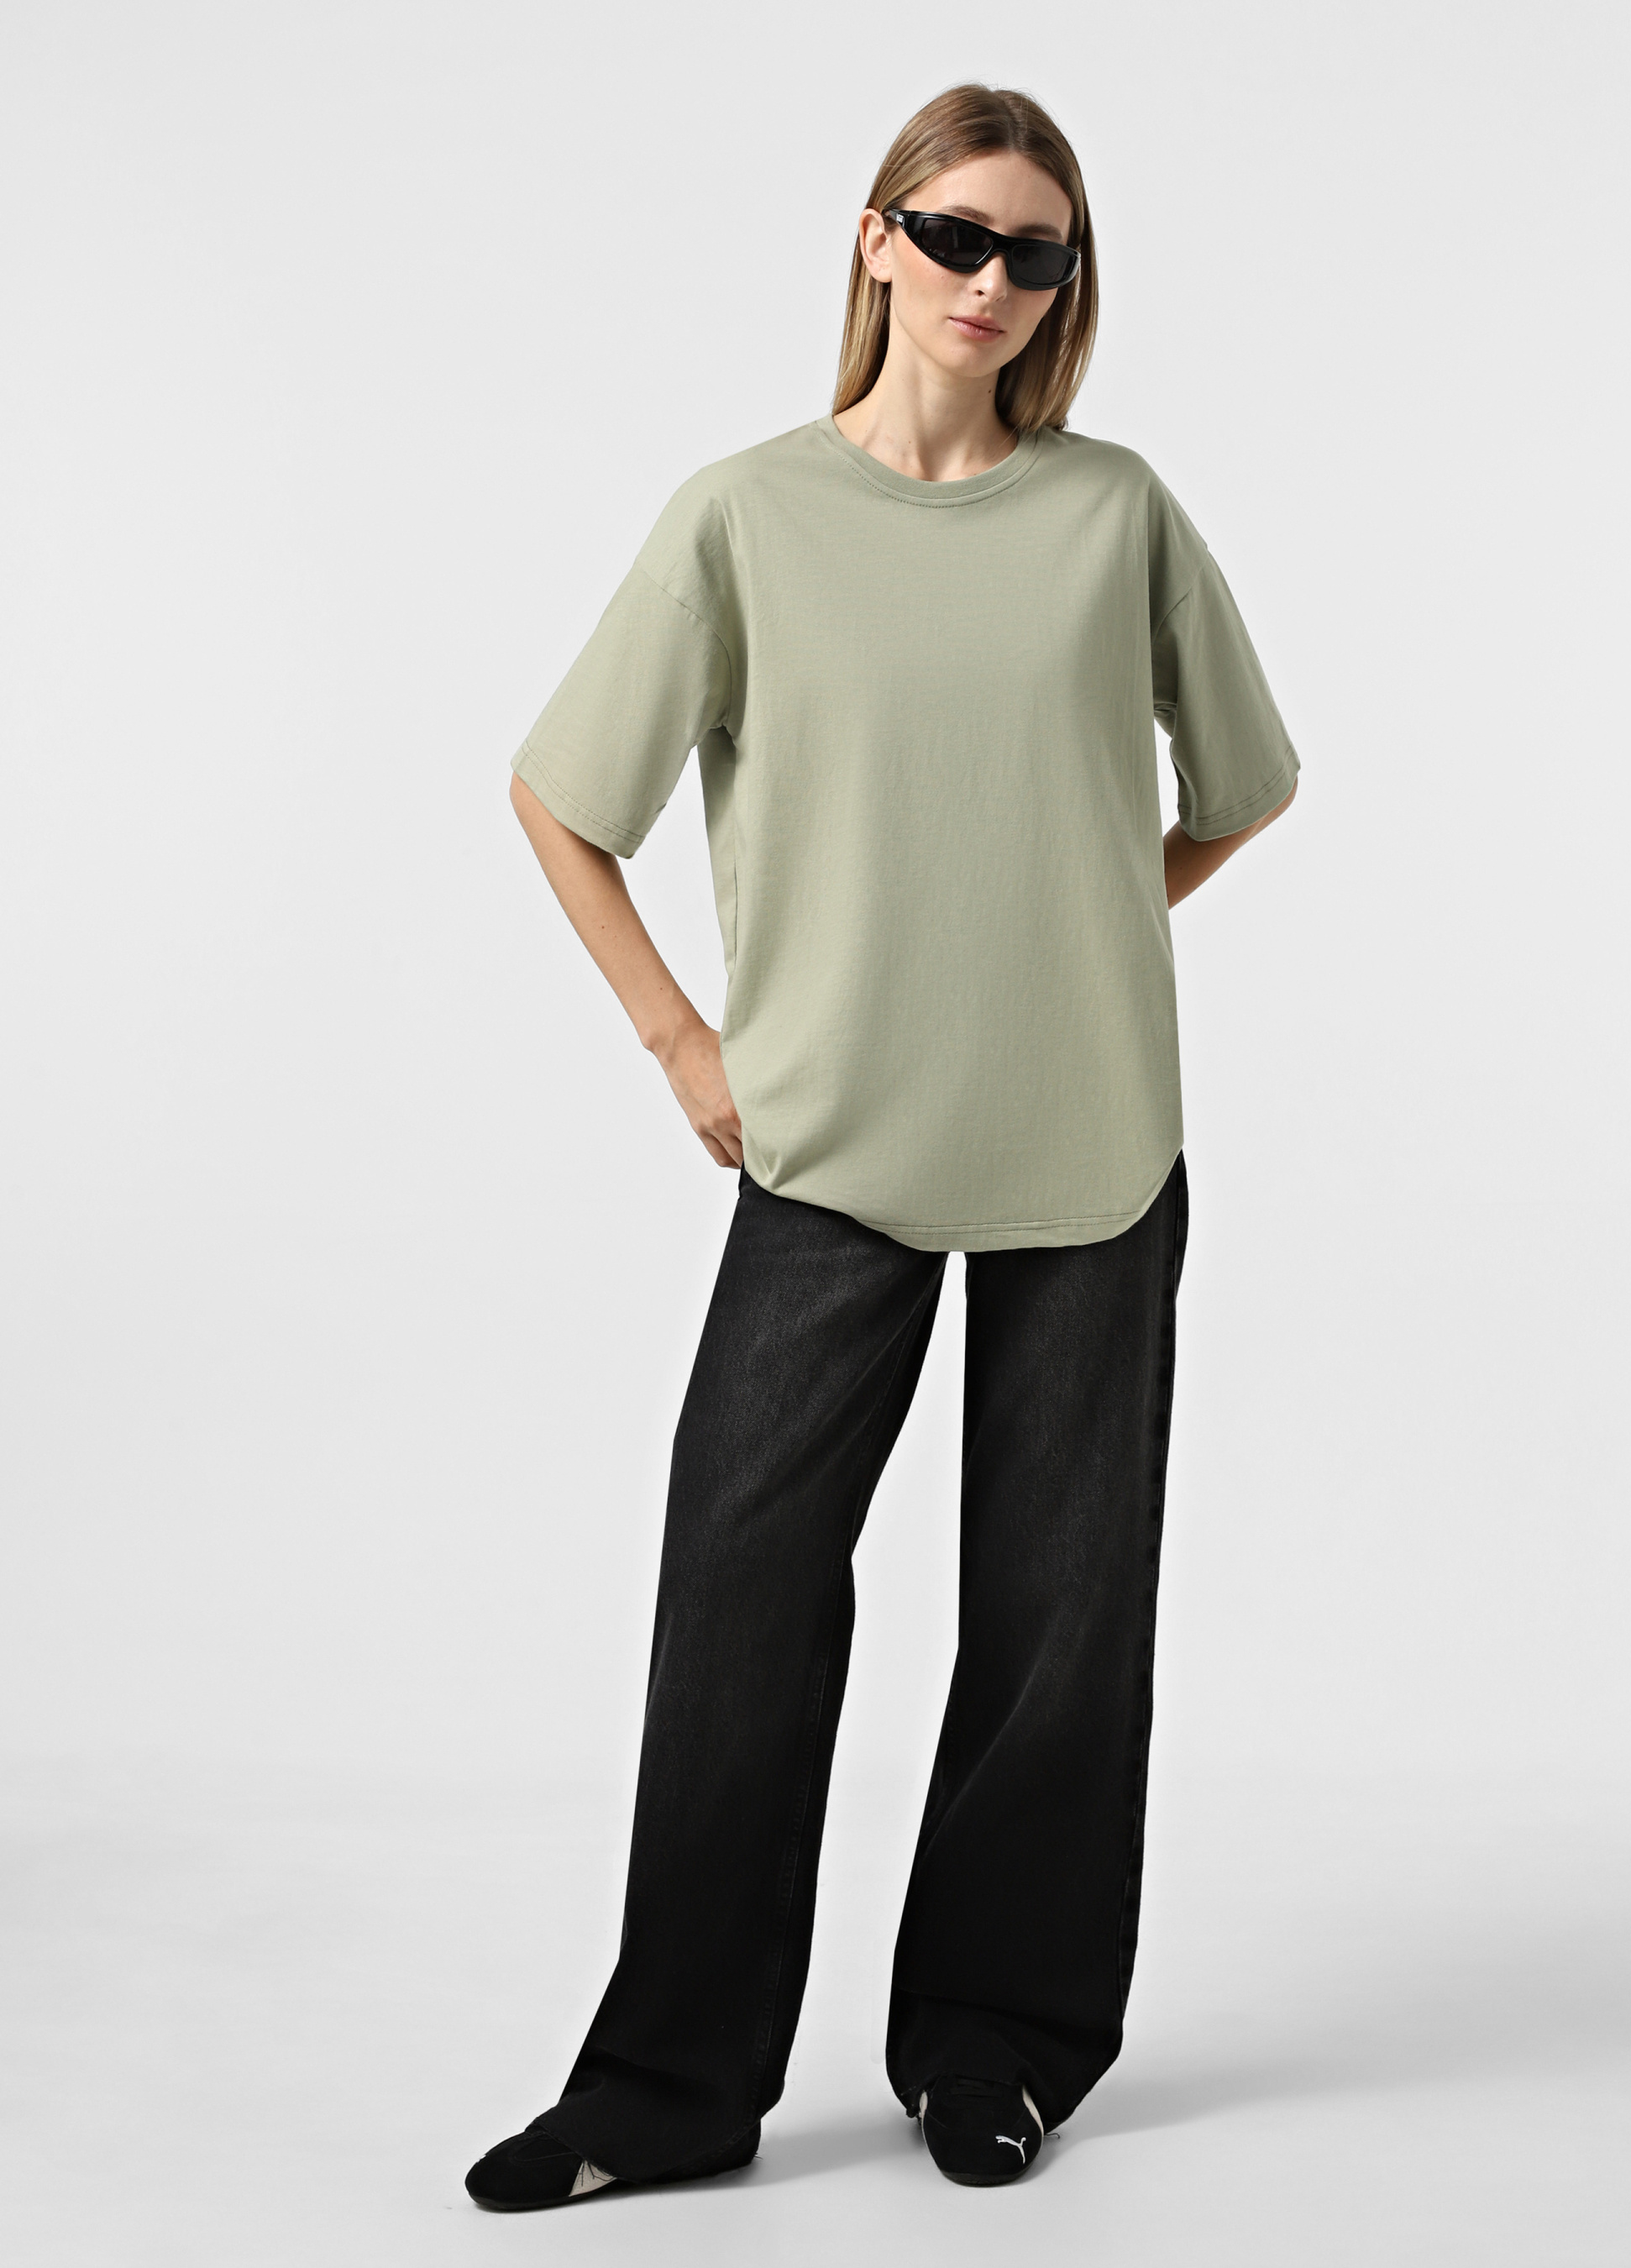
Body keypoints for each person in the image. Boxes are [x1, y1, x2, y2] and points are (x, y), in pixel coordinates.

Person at [465, 80, 1298, 2209]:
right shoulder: (744, 519)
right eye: (954, 235)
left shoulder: (1114, 516)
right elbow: (560, 796)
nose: (989, 283)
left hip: (1088, 1144)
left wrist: (1079, 920)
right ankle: (668, 2085)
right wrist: (680, 1040)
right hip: (825, 1144)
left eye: (1035, 254)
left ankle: (997, 2047)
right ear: (873, 239)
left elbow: (1237, 786)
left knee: (1057, 1618)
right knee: (740, 1589)